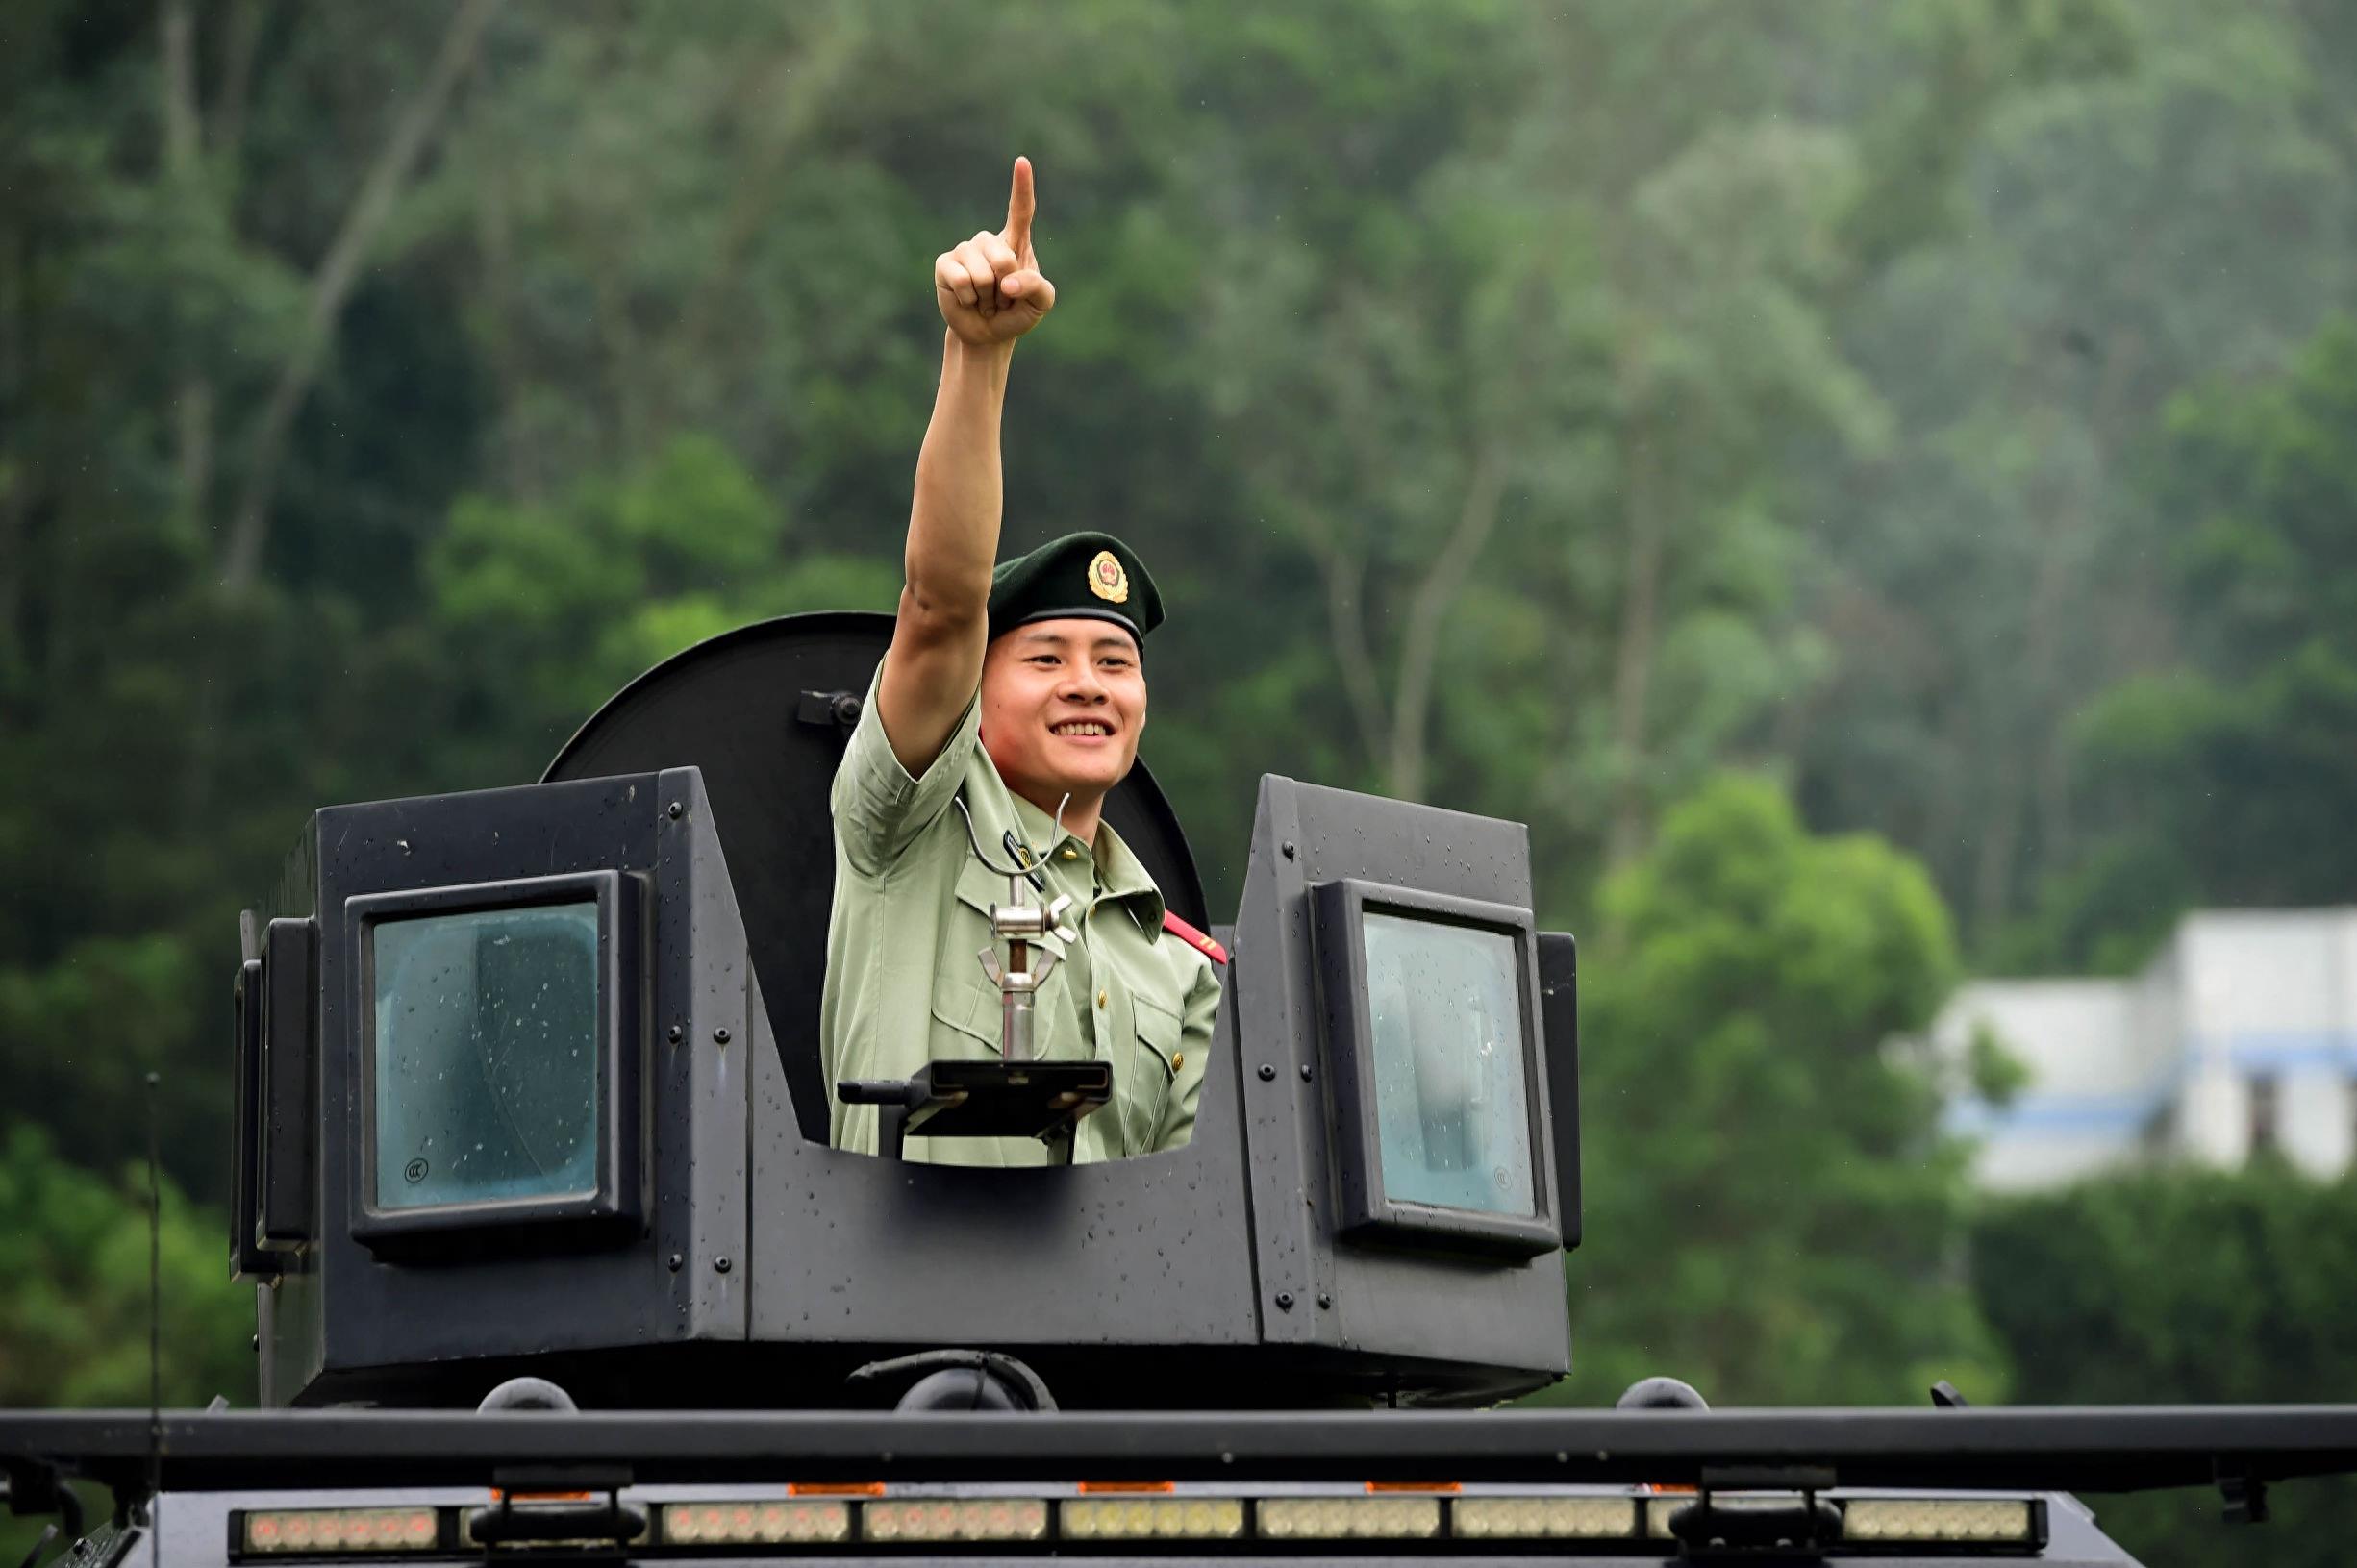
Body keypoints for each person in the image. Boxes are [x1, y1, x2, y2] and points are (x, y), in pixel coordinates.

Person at [819, 157, 1224, 1165]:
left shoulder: (1177, 963)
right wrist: (979, 356)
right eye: (1046, 656)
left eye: (1115, 664)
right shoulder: (907, 830)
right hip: (893, 1315)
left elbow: (1190, 1224)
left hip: (1099, 1329)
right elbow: (943, 601)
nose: (1089, 683)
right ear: (977, 690)